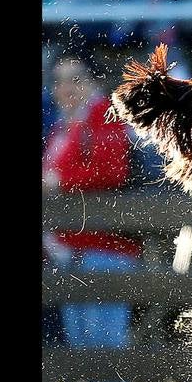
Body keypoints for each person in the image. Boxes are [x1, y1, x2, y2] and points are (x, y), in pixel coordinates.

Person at [42, 54, 139, 362]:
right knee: (82, 350)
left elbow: (112, 171)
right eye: (58, 81)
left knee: (105, 349)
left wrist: (59, 181)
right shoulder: (63, 127)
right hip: (70, 252)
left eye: (76, 79)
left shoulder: (104, 114)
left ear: (94, 83)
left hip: (104, 251)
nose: (65, 88)